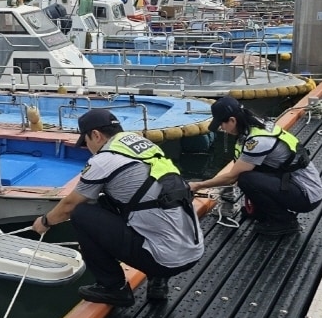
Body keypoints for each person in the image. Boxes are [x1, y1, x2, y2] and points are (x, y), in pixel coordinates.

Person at [32, 109, 204, 306]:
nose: (88, 148)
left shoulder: (104, 160)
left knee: (81, 213)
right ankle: (158, 281)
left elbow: (69, 206)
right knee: (126, 202)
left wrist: (44, 222)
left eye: (86, 142)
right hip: (192, 251)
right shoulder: (142, 145)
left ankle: (113, 288)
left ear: (96, 135)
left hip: (164, 259)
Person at [189, 97, 322, 236]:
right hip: (293, 182)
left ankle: (285, 222)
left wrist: (198, 185)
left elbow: (231, 178)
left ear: (232, 120)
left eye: (222, 124)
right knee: (249, 173)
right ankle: (262, 212)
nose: (221, 128)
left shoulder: (257, 141)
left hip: (307, 195)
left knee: (246, 179)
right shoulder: (256, 125)